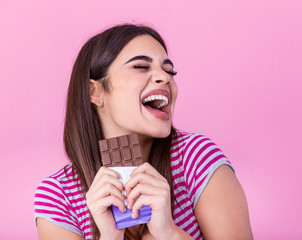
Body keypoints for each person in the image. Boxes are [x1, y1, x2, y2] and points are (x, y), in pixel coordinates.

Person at [34, 24, 253, 240]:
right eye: (140, 66)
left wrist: (169, 233)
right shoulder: (58, 196)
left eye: (169, 70)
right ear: (95, 91)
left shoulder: (196, 158)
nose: (165, 77)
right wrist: (109, 237)